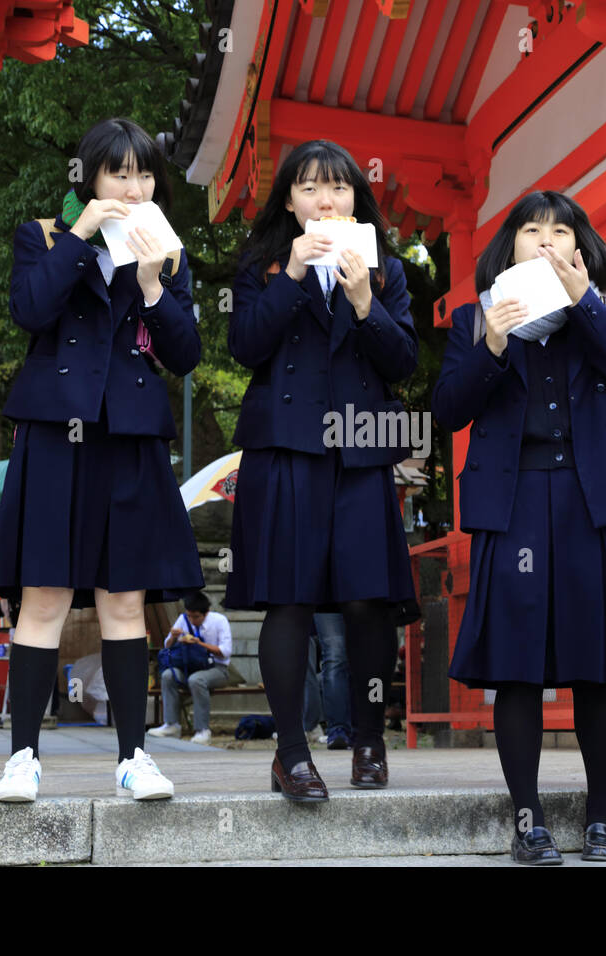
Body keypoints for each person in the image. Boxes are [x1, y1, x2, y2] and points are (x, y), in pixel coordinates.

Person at [431, 191, 606, 865]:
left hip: (594, 503)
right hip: (514, 501)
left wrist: (585, 303)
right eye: (533, 231)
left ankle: (601, 819)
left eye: (562, 232)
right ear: (510, 247)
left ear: (581, 249)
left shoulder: (605, 313)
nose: (548, 242)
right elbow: (448, 409)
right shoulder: (476, 319)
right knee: (518, 668)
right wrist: (494, 342)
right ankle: (527, 821)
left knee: (597, 667)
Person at [0, 117, 204, 803]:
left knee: (125, 598)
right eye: (119, 173)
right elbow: (29, 310)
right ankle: (22, 756)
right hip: (55, 434)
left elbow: (187, 354)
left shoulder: (166, 254)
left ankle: (135, 757)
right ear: (91, 179)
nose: (134, 187)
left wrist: (151, 286)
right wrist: (82, 238)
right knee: (43, 594)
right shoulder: (45, 236)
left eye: (144, 175)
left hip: (131, 435)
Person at [225, 139, 418, 801]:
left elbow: (403, 364)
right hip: (285, 449)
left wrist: (365, 300)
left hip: (362, 452)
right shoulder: (261, 264)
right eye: (308, 187)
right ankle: (291, 754)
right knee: (291, 600)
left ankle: (368, 740)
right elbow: (245, 344)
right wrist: (292, 277)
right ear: (289, 200)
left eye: (337, 187)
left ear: (356, 198)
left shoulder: (386, 269)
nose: (325, 199)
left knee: (368, 602)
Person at [148, 590, 232, 744]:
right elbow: (167, 646)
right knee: (168, 675)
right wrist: (173, 636)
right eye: (189, 616)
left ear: (206, 613)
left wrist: (199, 644)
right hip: (188, 666)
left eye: (196, 617)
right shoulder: (183, 619)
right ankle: (171, 725)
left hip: (216, 669)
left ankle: (202, 730)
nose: (192, 620)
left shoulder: (219, 621)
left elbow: (225, 652)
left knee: (196, 680)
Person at [302, 612, 353, 749]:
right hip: (326, 599)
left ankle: (369, 726)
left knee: (367, 654)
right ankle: (337, 729)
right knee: (334, 656)